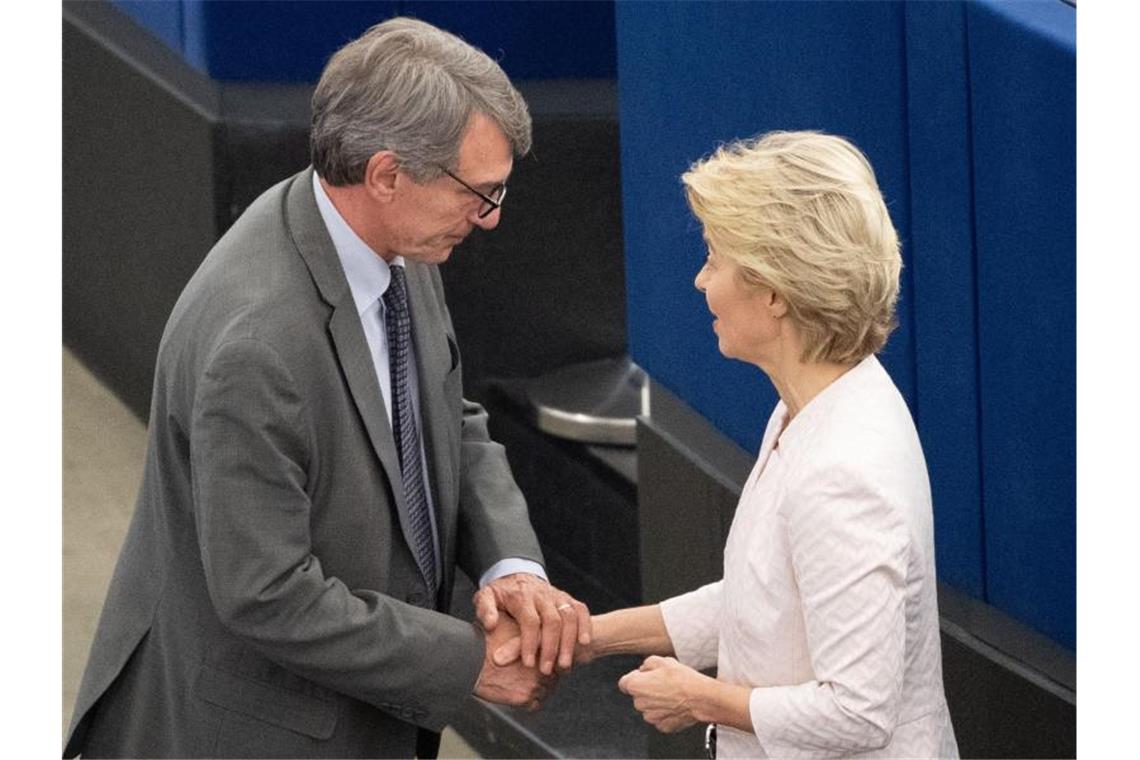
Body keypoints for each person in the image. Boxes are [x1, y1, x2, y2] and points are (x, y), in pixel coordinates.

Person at [64, 17, 589, 759]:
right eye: (481, 192)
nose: (493, 218)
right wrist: (471, 664)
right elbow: (268, 593)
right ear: (385, 174)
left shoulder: (396, 242)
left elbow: (447, 412)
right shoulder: (256, 348)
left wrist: (514, 568)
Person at [506, 131, 958, 757]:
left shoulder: (844, 472)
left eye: (715, 259)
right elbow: (764, 600)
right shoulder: (817, 402)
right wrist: (587, 637)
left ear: (774, 291)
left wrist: (701, 698)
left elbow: (858, 710)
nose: (699, 280)